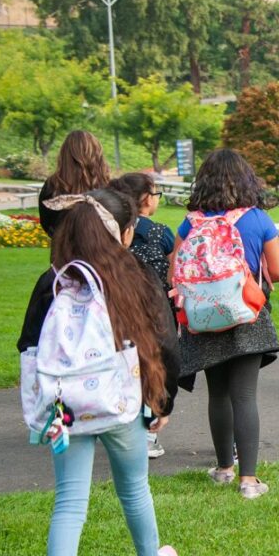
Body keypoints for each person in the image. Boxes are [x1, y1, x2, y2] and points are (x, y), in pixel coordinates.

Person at [19, 189, 179, 556]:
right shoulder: (135, 278)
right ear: (124, 233)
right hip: (121, 401)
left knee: (70, 501)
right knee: (135, 488)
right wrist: (162, 403)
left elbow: (28, 344)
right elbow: (166, 344)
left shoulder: (53, 281)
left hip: (65, 409)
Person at [173, 149, 279, 499]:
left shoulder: (191, 223)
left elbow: (174, 274)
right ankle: (249, 481)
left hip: (204, 318)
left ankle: (224, 469)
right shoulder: (257, 220)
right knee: (244, 396)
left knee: (218, 396)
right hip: (246, 317)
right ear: (246, 179)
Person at [110, 172, 176, 459]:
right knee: (152, 368)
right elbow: (174, 271)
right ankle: (149, 432)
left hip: (120, 310)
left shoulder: (111, 230)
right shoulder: (160, 233)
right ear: (148, 199)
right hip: (154, 311)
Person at [38, 131, 111, 238]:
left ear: (64, 154)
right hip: (101, 249)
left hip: (63, 249)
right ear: (97, 153)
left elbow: (46, 222)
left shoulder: (53, 185)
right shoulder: (108, 186)